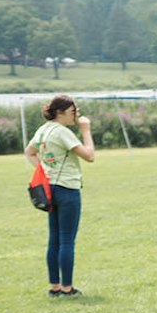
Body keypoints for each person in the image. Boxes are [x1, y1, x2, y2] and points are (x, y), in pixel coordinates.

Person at [24, 95, 96, 297]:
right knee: (66, 241)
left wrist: (45, 170)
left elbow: (29, 152)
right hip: (67, 189)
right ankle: (67, 288)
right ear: (60, 112)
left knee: (54, 239)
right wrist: (86, 131)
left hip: (50, 189)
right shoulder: (62, 132)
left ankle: (54, 287)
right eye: (73, 112)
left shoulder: (43, 129)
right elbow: (89, 155)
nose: (76, 115)